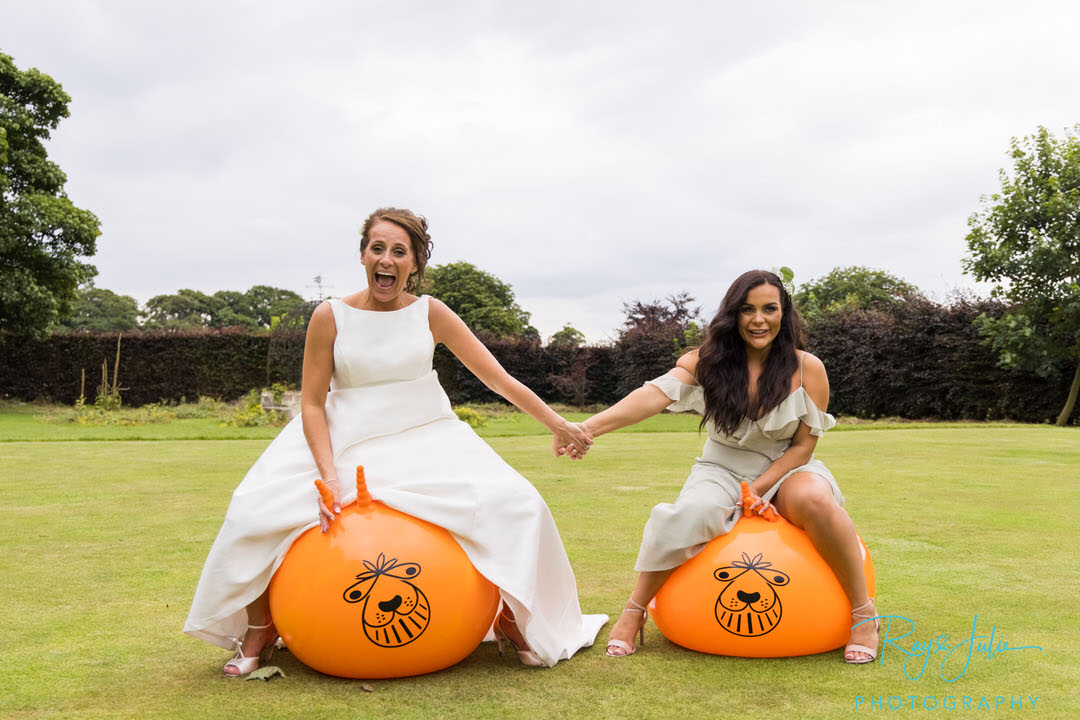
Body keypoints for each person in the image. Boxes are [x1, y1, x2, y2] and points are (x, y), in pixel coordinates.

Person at [184, 208, 607, 675]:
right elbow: (311, 404)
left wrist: (557, 424)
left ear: (414, 263)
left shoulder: (432, 313)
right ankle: (261, 627)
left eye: (399, 252)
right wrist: (328, 474)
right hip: (344, 437)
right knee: (254, 507)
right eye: (377, 248)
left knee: (520, 503)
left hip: (427, 434)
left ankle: (509, 618)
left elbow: (499, 380)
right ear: (363, 255)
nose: (386, 259)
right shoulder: (330, 316)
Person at [575, 269, 879, 664]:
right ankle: (634, 612)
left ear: (783, 313)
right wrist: (586, 428)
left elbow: (803, 447)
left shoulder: (809, 369)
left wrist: (758, 487)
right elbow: (650, 397)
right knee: (690, 513)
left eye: (769, 309)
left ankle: (863, 613)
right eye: (747, 309)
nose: (758, 319)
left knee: (816, 500)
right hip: (719, 468)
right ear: (733, 314)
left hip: (787, 467)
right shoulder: (704, 362)